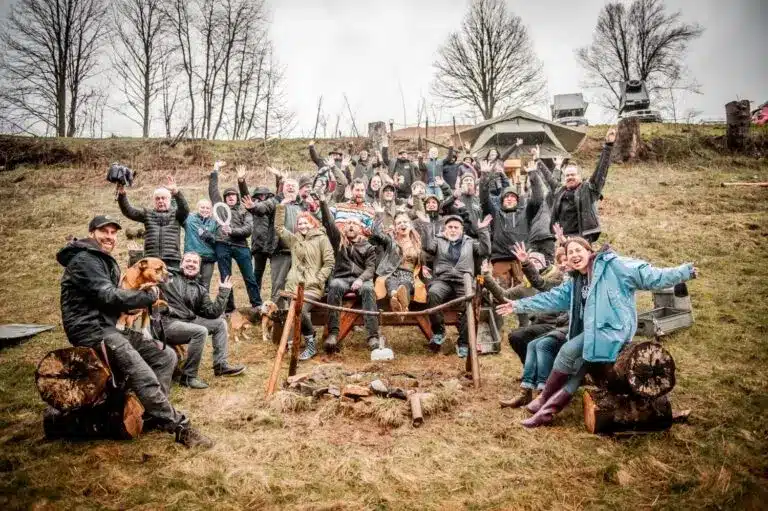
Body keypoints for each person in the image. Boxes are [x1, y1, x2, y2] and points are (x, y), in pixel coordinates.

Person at [496, 237, 698, 427]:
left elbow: (650, 276)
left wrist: (684, 271)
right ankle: (546, 413)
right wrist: (517, 306)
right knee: (577, 372)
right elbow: (551, 298)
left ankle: (544, 399)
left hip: (612, 330)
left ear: (589, 251)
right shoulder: (576, 280)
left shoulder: (613, 266)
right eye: (570, 252)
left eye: (578, 250)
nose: (574, 255)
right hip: (593, 333)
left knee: (567, 351)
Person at [57, 215, 212, 448]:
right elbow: (108, 295)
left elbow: (111, 301)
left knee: (166, 356)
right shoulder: (85, 260)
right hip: (90, 330)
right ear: (91, 234)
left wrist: (140, 303)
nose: (109, 237)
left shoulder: (101, 259)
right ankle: (179, 426)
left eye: (113, 232)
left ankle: (153, 415)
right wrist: (145, 296)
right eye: (104, 232)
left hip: (107, 327)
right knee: (142, 373)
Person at [161, 252, 246, 389]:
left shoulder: (200, 289)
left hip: (187, 323)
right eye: (188, 261)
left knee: (220, 323)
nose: (191, 264)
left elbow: (212, 313)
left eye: (195, 262)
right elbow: (146, 272)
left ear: (199, 267)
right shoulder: (168, 277)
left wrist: (223, 293)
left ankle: (220, 366)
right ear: (181, 263)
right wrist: (135, 256)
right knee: (200, 331)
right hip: (167, 322)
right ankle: (188, 377)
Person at [425, 214, 492, 357]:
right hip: (442, 279)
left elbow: (485, 251)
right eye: (450, 227)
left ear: (462, 230)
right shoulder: (438, 240)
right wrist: (427, 226)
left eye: (456, 227)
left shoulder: (470, 242)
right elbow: (428, 248)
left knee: (470, 304)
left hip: (464, 280)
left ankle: (463, 343)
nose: (453, 230)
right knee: (433, 294)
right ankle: (439, 332)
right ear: (445, 229)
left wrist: (483, 231)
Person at [275, 203, 335, 361]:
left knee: (300, 309)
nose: (302, 226)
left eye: (305, 222)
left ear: (312, 223)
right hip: (293, 285)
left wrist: (318, 279)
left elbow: (329, 262)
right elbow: (279, 228)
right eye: (299, 223)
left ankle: (310, 342)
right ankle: (292, 343)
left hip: (312, 286)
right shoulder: (295, 240)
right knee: (294, 311)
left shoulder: (322, 239)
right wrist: (281, 207)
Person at [320, 198, 379, 352]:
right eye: (348, 224)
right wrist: (323, 203)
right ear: (344, 228)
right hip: (342, 278)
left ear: (360, 228)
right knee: (334, 286)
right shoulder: (339, 241)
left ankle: (373, 336)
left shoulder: (368, 247)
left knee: (368, 290)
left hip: (361, 280)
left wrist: (360, 279)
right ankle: (333, 333)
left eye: (355, 224)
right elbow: (328, 223)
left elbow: (370, 268)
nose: (351, 226)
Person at [208, 162, 261, 312]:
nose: (230, 198)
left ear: (237, 198)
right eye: (228, 196)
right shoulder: (221, 209)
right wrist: (215, 171)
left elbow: (248, 229)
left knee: (249, 277)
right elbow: (213, 190)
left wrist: (232, 231)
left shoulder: (245, 211)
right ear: (224, 199)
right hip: (222, 245)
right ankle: (229, 309)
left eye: (233, 196)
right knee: (226, 277)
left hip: (241, 246)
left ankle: (257, 305)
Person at [550, 127, 616, 242]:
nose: (570, 177)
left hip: (582, 238)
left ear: (579, 177)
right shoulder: (560, 191)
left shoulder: (588, 189)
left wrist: (608, 147)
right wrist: (541, 162)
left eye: (573, 174)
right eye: (567, 175)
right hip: (563, 238)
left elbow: (600, 172)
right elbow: (550, 180)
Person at [117, 176, 188, 270]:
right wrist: (122, 194)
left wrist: (176, 192)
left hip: (172, 259)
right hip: (151, 258)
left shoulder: (176, 214)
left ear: (169, 200)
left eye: (163, 198)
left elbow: (185, 209)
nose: (160, 201)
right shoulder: (147, 214)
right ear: (154, 201)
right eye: (157, 199)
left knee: (172, 284)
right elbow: (128, 211)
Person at [370, 211, 427, 315]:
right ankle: (398, 302)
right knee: (390, 281)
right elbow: (376, 233)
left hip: (409, 275)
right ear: (395, 228)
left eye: (405, 222)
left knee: (404, 285)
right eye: (399, 223)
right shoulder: (391, 241)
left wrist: (425, 223)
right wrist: (379, 214)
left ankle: (397, 303)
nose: (402, 224)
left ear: (410, 226)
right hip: (391, 273)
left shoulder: (417, 242)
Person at [238, 172, 278, 299]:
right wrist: (241, 181)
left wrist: (280, 178)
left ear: (268, 195)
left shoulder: (272, 205)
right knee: (257, 274)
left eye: (264, 194)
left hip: (272, 244)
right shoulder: (253, 206)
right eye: (260, 194)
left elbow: (280, 195)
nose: (262, 196)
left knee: (275, 274)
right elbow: (245, 197)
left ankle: (274, 299)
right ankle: (256, 300)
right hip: (259, 245)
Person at [270, 176, 306, 302]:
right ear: (282, 190)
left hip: (298, 253)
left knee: (296, 286)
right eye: (287, 185)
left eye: (293, 186)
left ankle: (293, 317)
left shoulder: (303, 206)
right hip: (280, 252)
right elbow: (259, 209)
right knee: (278, 285)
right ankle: (276, 317)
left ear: (298, 191)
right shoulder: (275, 204)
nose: (290, 187)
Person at [183, 199, 218, 291]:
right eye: (202, 207)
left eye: (208, 208)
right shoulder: (189, 218)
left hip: (208, 258)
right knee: (190, 283)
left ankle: (203, 305)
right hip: (192, 258)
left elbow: (219, 239)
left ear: (211, 210)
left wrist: (210, 236)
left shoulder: (215, 222)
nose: (205, 210)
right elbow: (178, 211)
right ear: (198, 208)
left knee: (205, 285)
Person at [441, 173, 483, 238]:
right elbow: (442, 208)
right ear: (461, 184)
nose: (468, 182)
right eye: (466, 180)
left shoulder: (478, 200)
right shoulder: (455, 197)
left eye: (470, 180)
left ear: (474, 184)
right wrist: (454, 197)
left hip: (476, 236)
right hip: (459, 236)